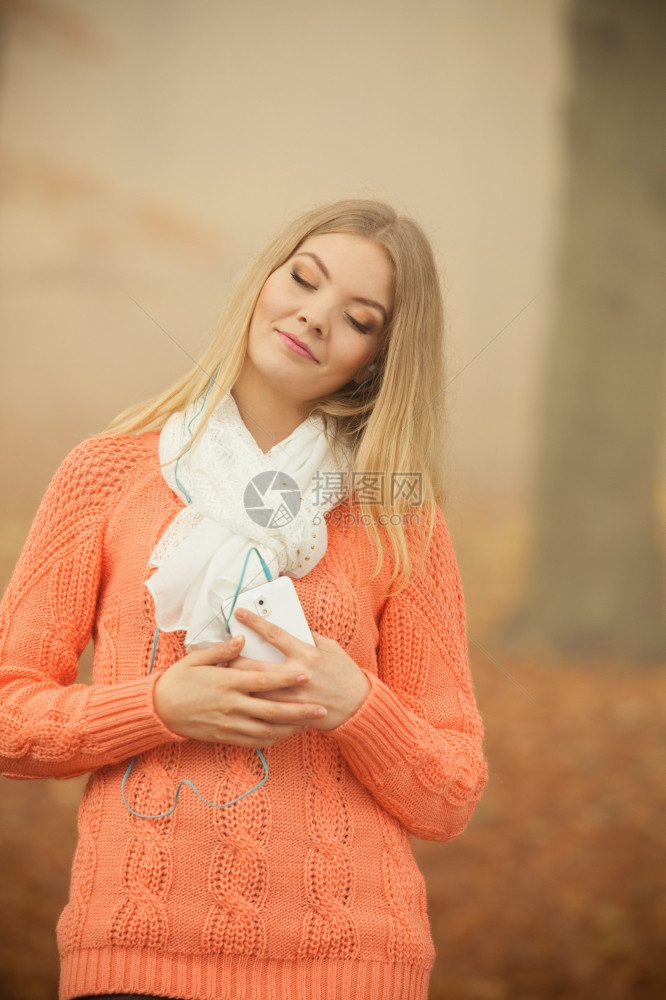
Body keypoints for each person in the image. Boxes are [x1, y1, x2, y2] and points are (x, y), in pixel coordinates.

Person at [0, 199, 487, 1000]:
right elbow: (13, 718)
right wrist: (156, 707)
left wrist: (358, 704)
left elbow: (452, 793)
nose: (314, 316)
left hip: (352, 962)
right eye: (304, 279)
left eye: (358, 317)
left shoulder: (398, 516)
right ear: (263, 280)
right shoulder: (107, 475)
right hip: (133, 947)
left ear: (374, 359)